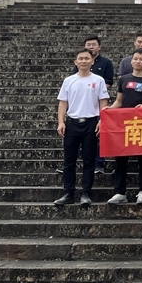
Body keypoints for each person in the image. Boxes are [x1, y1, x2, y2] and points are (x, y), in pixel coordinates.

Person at [54, 48, 109, 207]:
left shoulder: (98, 80)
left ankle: (86, 193)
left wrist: (102, 120)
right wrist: (61, 122)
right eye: (81, 58)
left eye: (87, 58)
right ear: (75, 62)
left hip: (91, 123)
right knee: (69, 160)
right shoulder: (69, 80)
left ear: (92, 61)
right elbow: (62, 103)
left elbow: (103, 102)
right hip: (72, 123)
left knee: (89, 160)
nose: (84, 61)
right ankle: (68, 193)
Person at [104, 49, 142, 205]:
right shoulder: (124, 79)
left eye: (141, 59)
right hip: (125, 124)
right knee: (121, 159)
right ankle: (120, 192)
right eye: (135, 59)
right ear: (131, 61)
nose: (138, 61)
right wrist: (109, 110)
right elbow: (119, 101)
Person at [73, 35, 114, 175]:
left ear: (99, 47)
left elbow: (109, 81)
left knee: (98, 136)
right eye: (88, 44)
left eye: (93, 44)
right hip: (82, 105)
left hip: (98, 102)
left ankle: (99, 163)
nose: (91, 47)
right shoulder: (80, 63)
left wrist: (94, 89)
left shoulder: (106, 62)